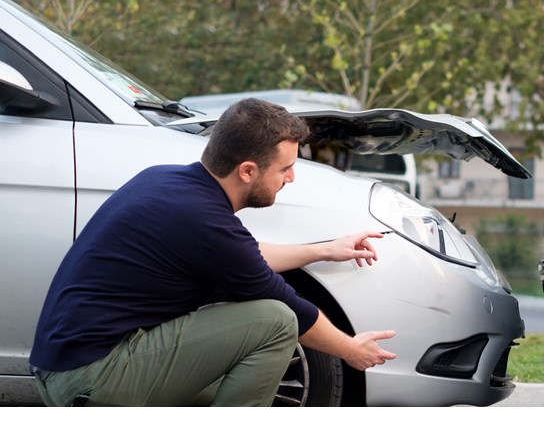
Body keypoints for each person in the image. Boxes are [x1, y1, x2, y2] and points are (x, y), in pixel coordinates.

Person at [29, 98, 396, 406]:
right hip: (91, 378)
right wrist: (351, 350)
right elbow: (292, 309)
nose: (291, 178)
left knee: (226, 386)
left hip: (66, 367)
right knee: (277, 321)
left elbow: (246, 257)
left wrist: (325, 250)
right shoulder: (203, 220)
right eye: (285, 168)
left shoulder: (167, 180)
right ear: (248, 171)